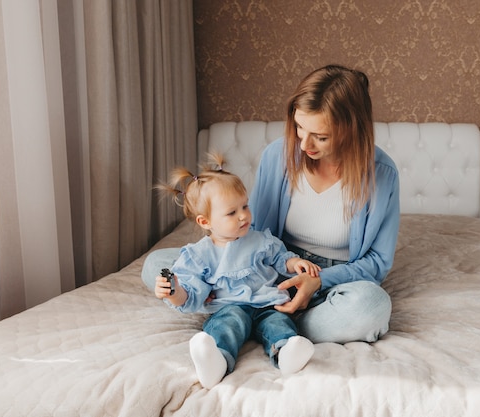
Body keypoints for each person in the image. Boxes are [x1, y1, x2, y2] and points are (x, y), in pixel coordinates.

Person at [143, 63, 400, 347]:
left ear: (352, 130)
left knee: (371, 305)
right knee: (158, 266)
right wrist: (238, 269)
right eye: (300, 128)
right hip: (270, 268)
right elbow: (256, 231)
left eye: (321, 136)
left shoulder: (382, 175)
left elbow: (377, 263)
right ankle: (267, 318)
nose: (304, 145)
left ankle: (255, 318)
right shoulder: (278, 155)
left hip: (333, 281)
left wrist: (318, 280)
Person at [153, 155, 320, 389]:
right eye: (232, 213)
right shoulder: (198, 255)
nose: (243, 215)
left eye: (245, 206)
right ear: (205, 221)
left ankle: (286, 352)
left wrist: (295, 264)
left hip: (266, 303)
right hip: (228, 306)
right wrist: (173, 292)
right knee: (226, 325)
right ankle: (216, 360)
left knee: (278, 322)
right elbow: (191, 296)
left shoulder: (261, 240)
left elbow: (280, 259)